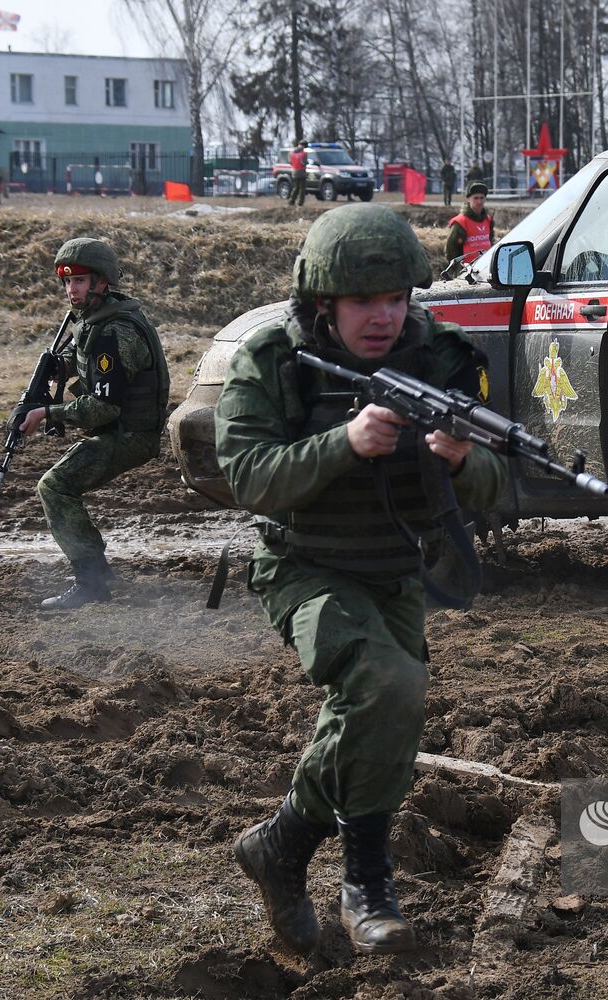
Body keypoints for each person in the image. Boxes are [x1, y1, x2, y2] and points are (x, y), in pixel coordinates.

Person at [215, 204, 507, 956]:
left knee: (380, 722)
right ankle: (367, 885)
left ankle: (279, 847)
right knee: (389, 688)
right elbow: (247, 477)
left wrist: (461, 461)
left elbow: (501, 485)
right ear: (323, 302)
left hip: (394, 567)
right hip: (303, 564)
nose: (382, 317)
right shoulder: (270, 358)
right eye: (361, 303)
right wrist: (343, 442)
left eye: (395, 300)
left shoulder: (443, 358)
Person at [15, 239, 170, 609]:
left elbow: (102, 407)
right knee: (60, 483)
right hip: (121, 427)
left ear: (102, 283)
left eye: (80, 281)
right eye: (67, 283)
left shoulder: (116, 333)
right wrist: (60, 366)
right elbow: (83, 353)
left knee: (55, 486)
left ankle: (91, 582)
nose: (72, 290)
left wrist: (48, 414)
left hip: (130, 433)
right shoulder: (99, 319)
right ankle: (98, 571)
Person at [445, 181, 495, 265]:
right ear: (469, 199)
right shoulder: (460, 222)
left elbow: (491, 241)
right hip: (466, 270)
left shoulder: (488, 220)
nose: (479, 201)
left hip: (485, 266)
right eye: (475, 198)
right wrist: (458, 270)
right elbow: (451, 250)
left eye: (482, 198)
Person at [288, 142, 308, 207]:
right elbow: (304, 163)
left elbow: (290, 162)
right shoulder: (304, 153)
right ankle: (300, 203)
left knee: (295, 187)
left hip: (294, 172)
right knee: (302, 188)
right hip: (301, 172)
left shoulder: (291, 153)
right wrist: (306, 163)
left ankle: (291, 201)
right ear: (304, 146)